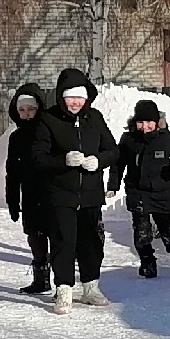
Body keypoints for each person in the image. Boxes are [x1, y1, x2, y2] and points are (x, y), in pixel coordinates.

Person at [34, 67, 118, 313]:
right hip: (61, 194)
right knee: (63, 242)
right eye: (71, 97)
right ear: (61, 96)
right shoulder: (49, 119)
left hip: (91, 194)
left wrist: (98, 161)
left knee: (91, 243)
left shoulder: (95, 119)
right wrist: (63, 160)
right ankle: (64, 290)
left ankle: (90, 287)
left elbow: (113, 150)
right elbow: (38, 157)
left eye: (80, 97)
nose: (75, 102)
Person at [110, 97, 170, 277]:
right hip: (137, 191)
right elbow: (118, 164)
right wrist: (113, 185)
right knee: (142, 232)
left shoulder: (166, 139)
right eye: (140, 122)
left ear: (157, 123)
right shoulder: (128, 140)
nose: (145, 126)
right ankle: (148, 263)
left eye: (149, 122)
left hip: (160, 192)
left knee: (167, 230)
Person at [4, 83, 56, 295]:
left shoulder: (49, 131)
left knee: (57, 236)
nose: (26, 114)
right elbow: (13, 171)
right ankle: (41, 278)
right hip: (30, 194)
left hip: (52, 192)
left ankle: (63, 282)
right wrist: (12, 200)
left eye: (31, 109)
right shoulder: (15, 138)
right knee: (35, 237)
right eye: (22, 110)